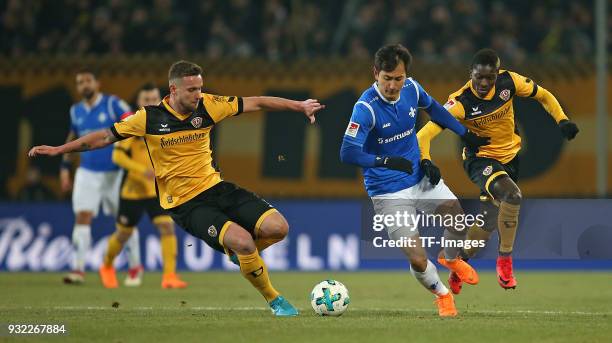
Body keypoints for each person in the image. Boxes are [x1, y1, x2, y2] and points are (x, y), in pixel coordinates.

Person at [29, 60, 325, 317]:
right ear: (173, 90)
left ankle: (240, 255)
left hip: (216, 187)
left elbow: (257, 101)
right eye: (191, 90)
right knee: (244, 242)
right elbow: (104, 137)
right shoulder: (149, 117)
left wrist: (298, 106)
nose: (198, 94)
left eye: (199, 88)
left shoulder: (210, 105)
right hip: (185, 204)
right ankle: (275, 300)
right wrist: (61, 151)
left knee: (279, 228)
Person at [340, 44, 490, 317]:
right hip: (387, 191)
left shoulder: (412, 88)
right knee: (418, 258)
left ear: (406, 75)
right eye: (387, 78)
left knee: (457, 218)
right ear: (376, 74)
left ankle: (450, 258)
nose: (393, 86)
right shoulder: (365, 108)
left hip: (418, 177)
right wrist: (384, 162)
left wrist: (463, 132)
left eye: (398, 78)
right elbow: (347, 152)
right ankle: (443, 295)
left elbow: (435, 109)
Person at [417, 48, 579, 293]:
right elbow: (424, 135)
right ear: (470, 74)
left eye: (489, 78)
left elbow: (543, 95)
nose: (483, 83)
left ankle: (459, 264)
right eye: (478, 77)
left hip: (511, 158)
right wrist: (426, 160)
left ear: (497, 74)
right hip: (480, 160)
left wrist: (562, 119)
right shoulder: (460, 102)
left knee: (489, 221)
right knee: (512, 195)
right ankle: (504, 261)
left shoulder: (510, 82)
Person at [99, 83, 187, 289]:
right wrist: (141, 170)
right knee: (123, 233)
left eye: (153, 98)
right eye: (146, 99)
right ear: (139, 102)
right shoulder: (133, 125)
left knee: (166, 226)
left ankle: (169, 277)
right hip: (133, 190)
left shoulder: (169, 124)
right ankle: (107, 265)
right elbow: (117, 156)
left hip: (157, 190)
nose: (150, 103)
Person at [60, 69, 141, 284]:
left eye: (87, 81)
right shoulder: (75, 111)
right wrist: (65, 168)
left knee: (125, 222)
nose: (84, 85)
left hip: (115, 174)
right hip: (87, 173)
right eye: (80, 82)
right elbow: (73, 137)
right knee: (82, 217)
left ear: (98, 83)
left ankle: (135, 267)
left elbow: (134, 122)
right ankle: (78, 269)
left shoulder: (113, 104)